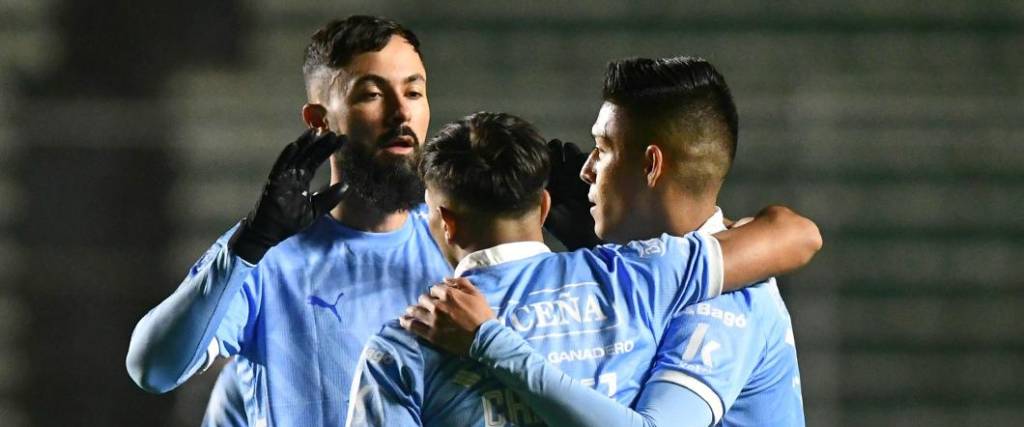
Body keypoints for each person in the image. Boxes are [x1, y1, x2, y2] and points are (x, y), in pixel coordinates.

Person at [345, 111, 821, 426]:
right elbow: (794, 236)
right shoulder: (642, 276)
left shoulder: (400, 347)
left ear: (446, 221)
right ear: (546, 203)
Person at [125, 16, 454, 426]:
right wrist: (248, 245)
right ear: (319, 120)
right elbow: (153, 370)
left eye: (415, 91)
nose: (401, 111)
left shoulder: (461, 244)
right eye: (372, 94)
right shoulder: (267, 256)